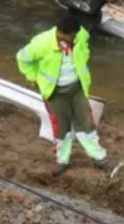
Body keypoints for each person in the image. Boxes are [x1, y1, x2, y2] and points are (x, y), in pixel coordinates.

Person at [16, 13, 112, 176]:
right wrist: (32, 77)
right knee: (62, 129)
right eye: (71, 36)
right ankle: (62, 160)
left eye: (76, 34)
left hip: (77, 89)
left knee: (86, 125)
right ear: (61, 33)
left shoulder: (80, 34)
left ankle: (99, 159)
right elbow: (22, 59)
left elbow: (85, 48)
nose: (75, 38)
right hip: (55, 93)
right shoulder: (41, 44)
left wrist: (83, 58)